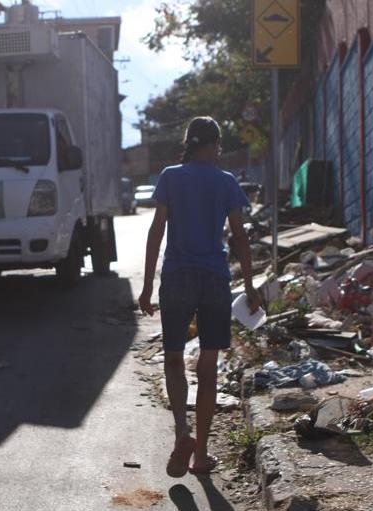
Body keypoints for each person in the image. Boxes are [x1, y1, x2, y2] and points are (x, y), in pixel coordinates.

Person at [138, 116, 261, 477]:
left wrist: (147, 286)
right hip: (215, 280)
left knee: (174, 359)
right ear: (216, 145)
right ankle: (201, 456)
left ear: (189, 143)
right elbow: (240, 238)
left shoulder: (170, 176)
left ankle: (182, 432)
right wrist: (251, 287)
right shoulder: (226, 182)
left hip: (177, 277)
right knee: (209, 368)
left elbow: (156, 232)